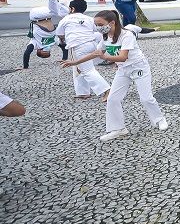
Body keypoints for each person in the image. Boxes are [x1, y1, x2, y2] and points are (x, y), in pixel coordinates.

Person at [62, 9, 168, 142]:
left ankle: (159, 120)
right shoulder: (105, 36)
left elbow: (123, 57)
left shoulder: (126, 35)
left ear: (112, 23)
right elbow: (97, 53)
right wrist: (75, 62)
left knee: (145, 98)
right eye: (96, 25)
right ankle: (118, 129)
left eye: (100, 24)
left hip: (138, 68)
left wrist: (105, 56)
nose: (98, 28)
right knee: (113, 99)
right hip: (123, 70)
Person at [55, 0, 111, 100]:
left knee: (87, 70)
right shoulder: (89, 19)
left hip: (77, 46)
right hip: (91, 44)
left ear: (72, 9)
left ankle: (107, 90)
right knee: (78, 68)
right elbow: (98, 30)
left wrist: (64, 39)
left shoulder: (66, 19)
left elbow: (59, 34)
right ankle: (82, 92)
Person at [23, 0, 70, 69]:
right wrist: (64, 59)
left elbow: (27, 53)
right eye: (48, 53)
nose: (47, 51)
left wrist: (25, 67)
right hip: (47, 15)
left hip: (36, 16)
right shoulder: (53, 41)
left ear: (38, 50)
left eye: (44, 53)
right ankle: (56, 1)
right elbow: (64, 48)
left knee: (55, 11)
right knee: (65, 13)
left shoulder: (35, 44)